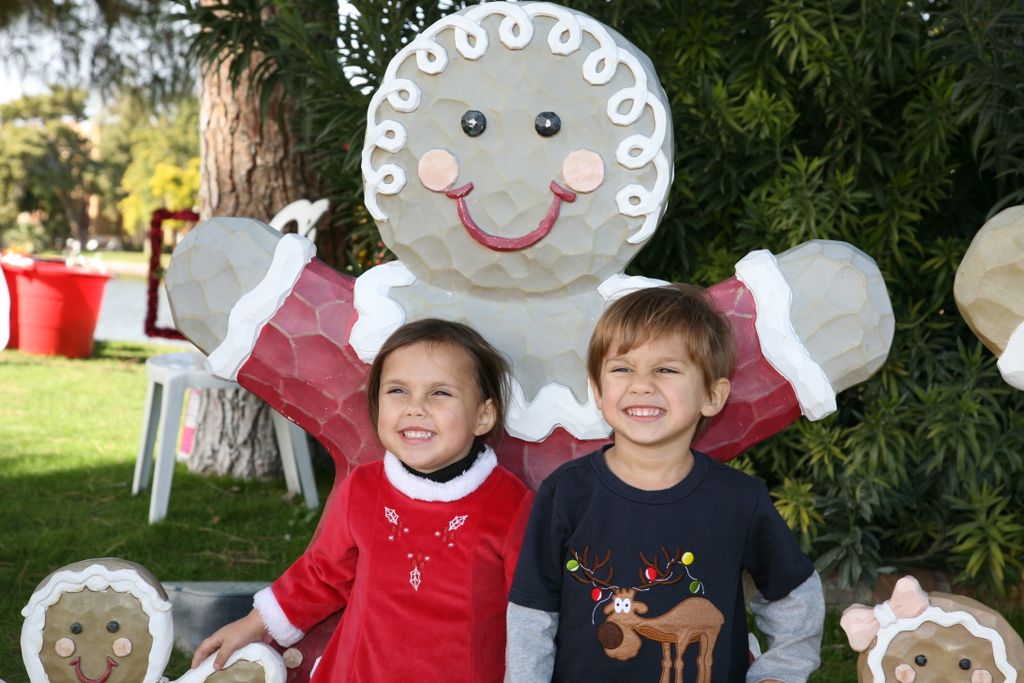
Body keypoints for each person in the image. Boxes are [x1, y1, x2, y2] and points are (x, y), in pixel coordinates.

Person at [506, 284, 824, 682]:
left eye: (666, 369)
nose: (641, 384)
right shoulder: (566, 494)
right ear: (598, 390)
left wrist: (779, 674)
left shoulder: (739, 501)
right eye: (622, 368)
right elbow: (532, 616)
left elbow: (796, 595)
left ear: (712, 395)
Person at [191, 318, 534, 682]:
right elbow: (322, 574)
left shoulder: (509, 505)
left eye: (440, 393)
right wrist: (255, 624)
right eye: (398, 391)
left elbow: (531, 608)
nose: (415, 407)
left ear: (483, 415)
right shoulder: (364, 489)